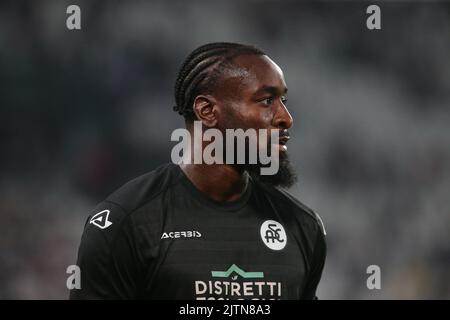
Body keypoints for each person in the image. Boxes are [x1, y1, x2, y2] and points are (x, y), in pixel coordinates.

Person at [70, 42, 326, 300]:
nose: (286, 117)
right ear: (207, 111)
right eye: (267, 100)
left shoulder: (302, 227)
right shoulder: (126, 224)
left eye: (283, 100)